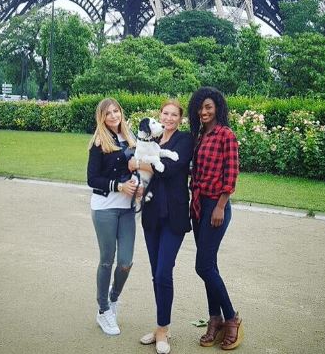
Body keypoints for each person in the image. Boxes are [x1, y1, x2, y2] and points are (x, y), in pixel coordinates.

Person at [131, 100, 193, 354]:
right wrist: (136, 164)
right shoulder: (151, 141)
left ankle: (164, 331)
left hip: (174, 216)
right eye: (164, 114)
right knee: (157, 274)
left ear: (180, 118)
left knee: (164, 272)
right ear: (159, 116)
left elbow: (168, 169)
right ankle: (159, 327)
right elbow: (136, 161)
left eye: (173, 115)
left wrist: (136, 163)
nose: (168, 118)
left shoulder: (185, 140)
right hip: (152, 216)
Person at [188, 87, 243, 350]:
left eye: (208, 107)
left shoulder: (226, 135)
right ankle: (214, 319)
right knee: (210, 265)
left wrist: (221, 206)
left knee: (203, 266)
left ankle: (232, 319)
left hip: (216, 206)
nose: (204, 111)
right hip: (198, 206)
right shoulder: (200, 135)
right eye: (200, 107)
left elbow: (231, 176)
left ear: (218, 107)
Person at [87, 97, 138, 336]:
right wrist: (118, 187)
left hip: (127, 209)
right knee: (107, 260)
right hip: (105, 208)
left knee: (126, 262)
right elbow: (92, 179)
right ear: (102, 117)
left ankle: (113, 298)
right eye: (108, 113)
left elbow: (136, 170)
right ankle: (103, 310)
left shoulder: (130, 139)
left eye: (116, 111)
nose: (114, 116)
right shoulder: (99, 142)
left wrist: (138, 186)